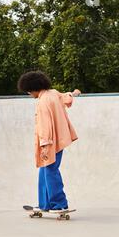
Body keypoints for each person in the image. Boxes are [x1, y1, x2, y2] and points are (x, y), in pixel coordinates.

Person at [17, 71, 81, 212]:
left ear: (33, 88)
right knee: (44, 171)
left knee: (50, 171)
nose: (29, 94)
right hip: (60, 140)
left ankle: (60, 204)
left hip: (50, 142)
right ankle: (44, 204)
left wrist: (45, 145)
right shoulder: (53, 93)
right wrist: (74, 93)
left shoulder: (43, 102)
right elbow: (66, 98)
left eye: (28, 91)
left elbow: (45, 126)